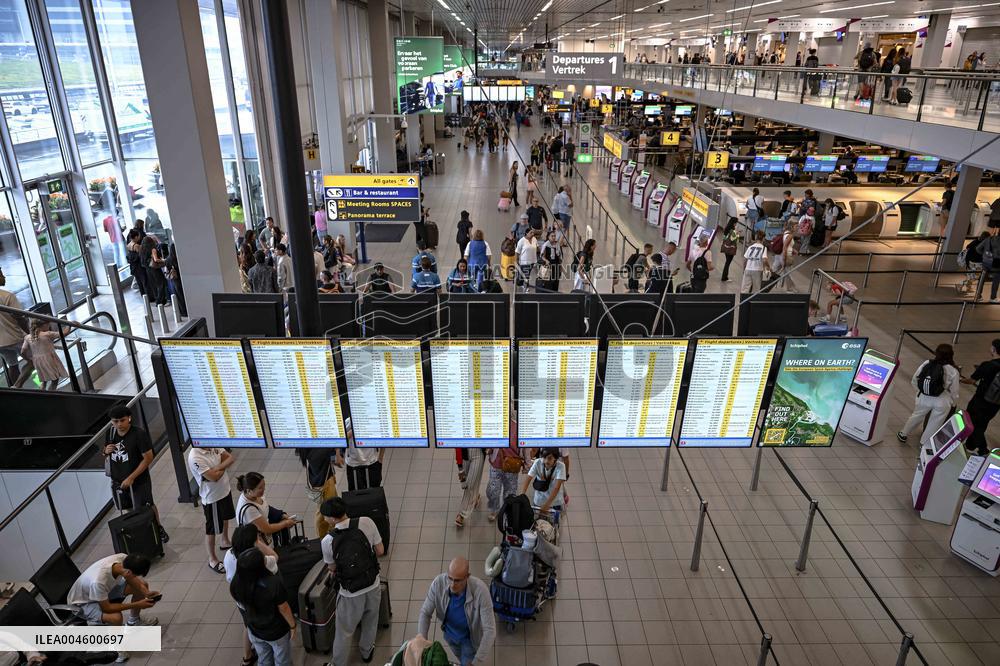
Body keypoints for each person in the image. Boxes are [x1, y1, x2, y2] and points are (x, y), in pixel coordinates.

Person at [320, 497, 384, 666]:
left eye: (325, 516)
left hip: (349, 592)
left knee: (344, 630)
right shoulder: (366, 522)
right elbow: (380, 550)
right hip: (372, 583)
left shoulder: (328, 541)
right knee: (371, 620)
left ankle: (338, 663)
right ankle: (366, 652)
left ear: (332, 519)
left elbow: (332, 568)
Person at [103, 403, 169, 543]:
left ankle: (157, 528)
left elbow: (148, 458)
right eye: (115, 421)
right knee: (126, 507)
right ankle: (137, 530)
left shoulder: (139, 434)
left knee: (147, 505)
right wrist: (105, 451)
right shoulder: (110, 433)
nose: (119, 424)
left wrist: (131, 477)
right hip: (118, 480)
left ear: (129, 418)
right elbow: (106, 452)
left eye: (122, 420)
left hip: (138, 479)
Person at [417, 557, 495, 666]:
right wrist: (421, 640)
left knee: (466, 658)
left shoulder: (481, 591)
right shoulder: (438, 584)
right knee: (460, 657)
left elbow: (490, 631)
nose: (453, 584)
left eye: (457, 580)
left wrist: (476, 662)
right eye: (450, 578)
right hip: (450, 636)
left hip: (470, 641)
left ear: (467, 576)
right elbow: (425, 613)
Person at [224, 525, 280, 666]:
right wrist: (258, 542)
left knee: (249, 626)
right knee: (272, 641)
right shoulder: (257, 560)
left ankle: (247, 657)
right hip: (262, 604)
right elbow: (275, 557)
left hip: (242, 601)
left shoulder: (229, 556)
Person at [230, 548, 296, 666]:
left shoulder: (236, 584)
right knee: (282, 660)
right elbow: (284, 608)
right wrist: (292, 626)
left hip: (254, 630)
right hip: (276, 631)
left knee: (264, 659)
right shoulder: (272, 583)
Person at [67, 553, 158, 633]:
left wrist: (146, 593)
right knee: (116, 617)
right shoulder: (99, 581)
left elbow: (132, 579)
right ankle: (115, 646)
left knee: (143, 586)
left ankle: (133, 622)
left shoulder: (123, 558)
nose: (135, 577)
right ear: (128, 572)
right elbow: (107, 608)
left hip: (102, 591)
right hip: (83, 603)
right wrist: (137, 604)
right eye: (134, 575)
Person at [897, 344, 961, 445]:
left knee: (917, 415)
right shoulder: (953, 371)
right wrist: (953, 403)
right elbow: (954, 391)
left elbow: (915, 379)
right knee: (934, 423)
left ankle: (903, 433)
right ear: (951, 355)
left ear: (936, 353)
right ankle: (924, 443)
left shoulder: (928, 363)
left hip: (924, 397)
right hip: (942, 400)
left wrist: (920, 392)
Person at [187, 445, 236, 574]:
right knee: (212, 530)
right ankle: (212, 559)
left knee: (226, 517)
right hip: (212, 498)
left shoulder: (213, 443)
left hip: (225, 490)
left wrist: (218, 468)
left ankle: (225, 541)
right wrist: (223, 466)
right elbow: (213, 477)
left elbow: (230, 458)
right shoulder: (195, 457)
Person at [960, 339, 1000, 455]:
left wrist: (960, 379)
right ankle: (970, 445)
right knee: (982, 423)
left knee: (973, 423)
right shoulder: (988, 366)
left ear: (993, 349)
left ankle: (983, 450)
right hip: (995, 404)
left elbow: (971, 380)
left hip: (980, 401)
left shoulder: (987, 365)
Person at [235, 472, 298, 546]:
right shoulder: (249, 510)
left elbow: (265, 507)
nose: (264, 489)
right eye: (260, 488)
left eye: (264, 485)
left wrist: (281, 515)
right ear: (249, 491)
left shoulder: (253, 495)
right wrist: (285, 523)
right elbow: (267, 529)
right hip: (259, 546)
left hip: (266, 539)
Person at [0, 265, 28, 386]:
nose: (4, 277)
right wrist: (30, 333)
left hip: (1, 343)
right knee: (35, 360)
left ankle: (15, 392)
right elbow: (19, 317)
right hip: (15, 338)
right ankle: (17, 386)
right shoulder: (7, 296)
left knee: (12, 365)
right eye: (1, 274)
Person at [20, 320, 67, 391]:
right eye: (48, 325)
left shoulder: (27, 337)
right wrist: (69, 325)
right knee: (55, 379)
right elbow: (63, 333)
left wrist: (28, 359)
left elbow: (23, 351)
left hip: (37, 361)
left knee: (44, 378)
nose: (49, 326)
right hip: (49, 359)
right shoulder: (47, 334)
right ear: (43, 325)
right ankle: (51, 394)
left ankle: (43, 391)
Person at [520, 448, 567, 513]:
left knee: (556, 522)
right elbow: (528, 478)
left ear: (555, 459)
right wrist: (522, 495)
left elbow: (557, 487)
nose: (546, 461)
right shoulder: (538, 462)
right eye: (544, 457)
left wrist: (547, 504)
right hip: (539, 500)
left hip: (555, 502)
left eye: (550, 458)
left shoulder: (561, 466)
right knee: (538, 521)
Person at [486, 445, 524, 522]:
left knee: (510, 492)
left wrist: (527, 463)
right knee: (493, 491)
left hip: (512, 464)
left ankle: (506, 510)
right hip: (496, 464)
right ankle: (494, 509)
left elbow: (526, 447)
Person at [140, 236, 168, 305]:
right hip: (155, 269)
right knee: (161, 283)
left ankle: (158, 299)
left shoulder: (142, 249)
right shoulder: (153, 249)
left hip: (148, 269)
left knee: (154, 285)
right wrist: (163, 260)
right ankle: (160, 301)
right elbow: (156, 259)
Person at [977, 232, 1000, 302]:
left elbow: (978, 248)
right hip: (996, 263)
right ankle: (992, 298)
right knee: (996, 279)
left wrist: (984, 255)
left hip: (986, 261)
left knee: (982, 278)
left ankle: (978, 296)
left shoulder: (989, 239)